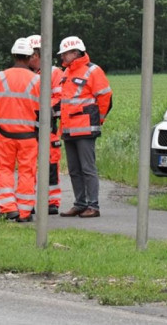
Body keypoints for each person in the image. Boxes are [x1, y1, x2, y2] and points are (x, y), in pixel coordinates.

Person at [0, 38, 41, 222]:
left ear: (14, 55)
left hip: (5, 135)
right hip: (29, 137)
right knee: (26, 172)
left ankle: (9, 208)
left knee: (4, 170)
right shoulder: (38, 79)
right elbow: (45, 109)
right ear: (30, 56)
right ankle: (24, 212)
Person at [56, 36, 112, 218]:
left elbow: (105, 98)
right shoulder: (66, 72)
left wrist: (98, 120)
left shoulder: (92, 71)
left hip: (85, 128)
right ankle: (80, 204)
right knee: (74, 170)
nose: (62, 56)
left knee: (88, 168)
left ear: (75, 52)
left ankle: (93, 206)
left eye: (65, 53)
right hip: (68, 128)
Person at [26, 34, 63, 215]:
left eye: (30, 55)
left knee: (51, 165)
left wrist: (39, 109)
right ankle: (28, 202)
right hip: (27, 128)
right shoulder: (25, 74)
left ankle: (52, 202)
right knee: (28, 166)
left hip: (48, 127)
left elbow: (59, 99)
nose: (27, 59)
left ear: (37, 54)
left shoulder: (54, 73)